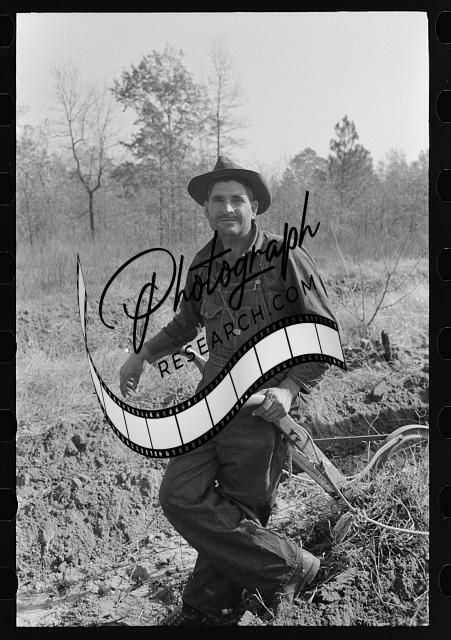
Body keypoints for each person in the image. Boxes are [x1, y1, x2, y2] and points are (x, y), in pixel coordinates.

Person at [119, 156, 338, 625]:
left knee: (242, 506)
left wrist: (290, 389)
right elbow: (186, 323)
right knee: (178, 492)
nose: (227, 208)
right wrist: (142, 355)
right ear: (206, 209)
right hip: (212, 395)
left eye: (237, 199)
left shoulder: (284, 256)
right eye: (217, 200)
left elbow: (322, 332)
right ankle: (290, 566)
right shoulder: (202, 264)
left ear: (254, 206)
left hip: (263, 402)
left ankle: (205, 607)